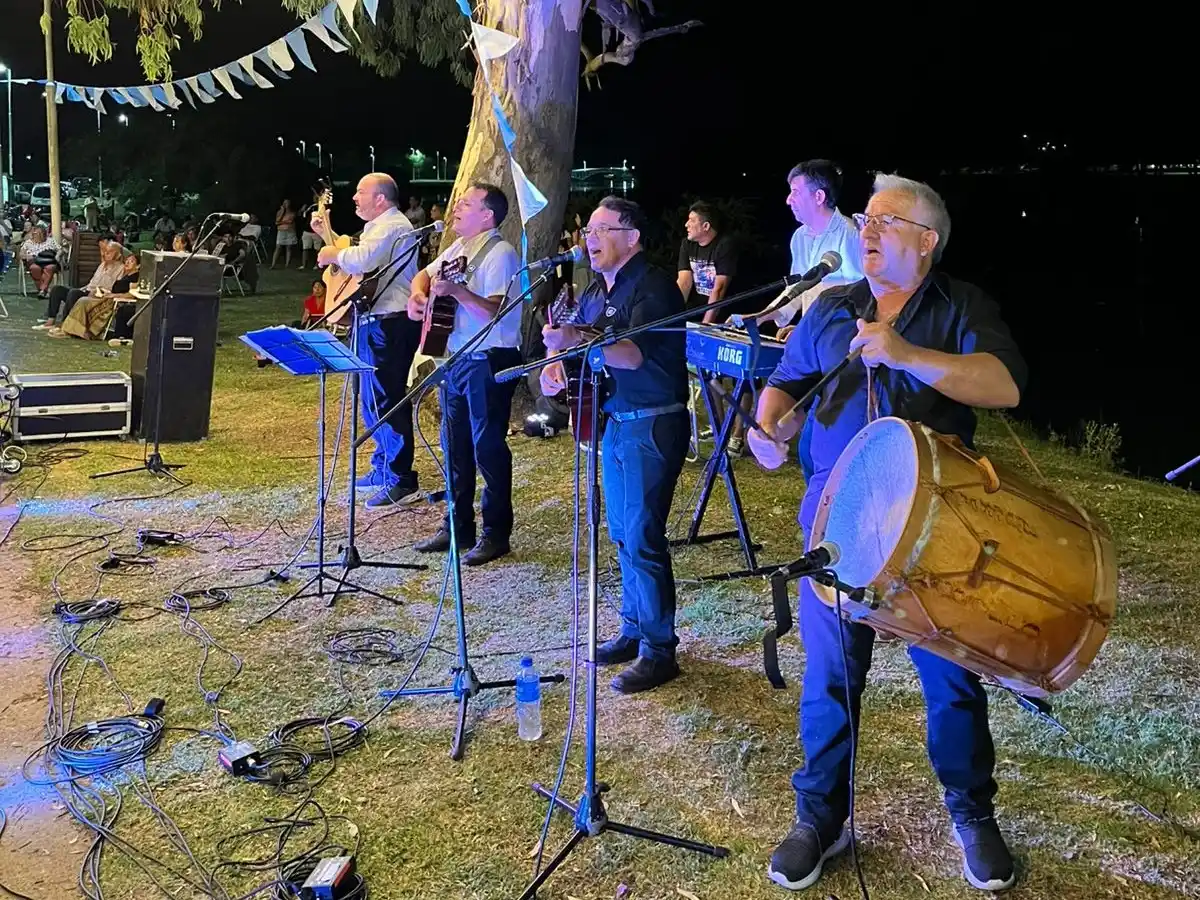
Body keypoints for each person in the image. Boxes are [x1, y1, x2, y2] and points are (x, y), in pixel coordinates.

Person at [747, 174, 1025, 894]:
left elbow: (1003, 384)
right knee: (832, 674)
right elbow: (786, 378)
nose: (864, 230)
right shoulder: (834, 306)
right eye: (864, 219)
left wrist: (904, 354)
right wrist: (767, 427)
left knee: (952, 677)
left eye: (884, 220)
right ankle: (820, 819)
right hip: (835, 514)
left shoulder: (961, 306)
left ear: (925, 239)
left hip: (938, 520)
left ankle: (972, 815)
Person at [541, 197, 690, 693]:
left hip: (652, 424)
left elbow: (629, 355)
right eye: (589, 229)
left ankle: (658, 650)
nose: (590, 236)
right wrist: (557, 365)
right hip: (614, 422)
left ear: (632, 237)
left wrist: (575, 341)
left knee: (644, 535)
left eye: (602, 229)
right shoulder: (594, 291)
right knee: (623, 532)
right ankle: (633, 629)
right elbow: (581, 352)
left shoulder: (654, 287)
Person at [407, 183, 521, 566]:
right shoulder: (457, 248)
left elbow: (496, 311)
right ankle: (457, 523)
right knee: (454, 445)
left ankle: (495, 532)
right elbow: (423, 276)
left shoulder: (500, 254)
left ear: (487, 215)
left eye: (467, 204)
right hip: (455, 358)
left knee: (487, 446)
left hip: (489, 359)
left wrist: (457, 292)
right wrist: (419, 296)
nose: (457, 207)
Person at [313, 173, 423, 508]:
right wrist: (326, 237)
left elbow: (362, 260)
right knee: (371, 398)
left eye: (361, 192)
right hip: (375, 318)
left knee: (386, 398)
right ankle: (383, 465)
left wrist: (333, 253)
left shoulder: (393, 225)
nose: (355, 198)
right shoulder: (378, 227)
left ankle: (401, 478)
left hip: (390, 322)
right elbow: (358, 267)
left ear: (381, 198)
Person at [771, 160, 865, 334]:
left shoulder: (850, 234)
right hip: (813, 336)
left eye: (795, 192)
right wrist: (761, 316)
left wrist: (811, 331)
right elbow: (797, 288)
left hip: (842, 341)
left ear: (819, 197)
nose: (788, 200)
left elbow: (860, 299)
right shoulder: (799, 237)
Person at [36, 238, 124, 330]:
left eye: (109, 252)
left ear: (118, 255)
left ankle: (65, 324)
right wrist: (83, 289)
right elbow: (92, 283)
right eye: (105, 251)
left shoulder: (121, 268)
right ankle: (50, 321)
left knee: (73, 293)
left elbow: (114, 288)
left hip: (98, 296)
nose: (105, 254)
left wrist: (97, 290)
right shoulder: (102, 265)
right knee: (57, 289)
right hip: (87, 291)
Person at [55, 248, 140, 341]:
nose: (127, 263)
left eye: (131, 261)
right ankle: (74, 329)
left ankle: (79, 330)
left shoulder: (135, 278)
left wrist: (113, 295)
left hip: (114, 302)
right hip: (108, 297)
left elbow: (131, 294)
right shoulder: (126, 275)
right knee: (81, 299)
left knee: (83, 301)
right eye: (127, 260)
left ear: (138, 266)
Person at [19, 225, 62, 298]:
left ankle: (42, 290)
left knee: (50, 268)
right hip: (34, 261)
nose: (36, 235)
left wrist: (57, 255)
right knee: (35, 268)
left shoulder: (50, 240)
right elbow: (21, 254)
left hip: (49, 261)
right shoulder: (28, 242)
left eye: (39, 234)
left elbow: (60, 249)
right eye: (35, 234)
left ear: (44, 234)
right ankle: (43, 289)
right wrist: (26, 256)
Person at [299, 193, 322, 270]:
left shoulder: (321, 207)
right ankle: (303, 265)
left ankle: (317, 265)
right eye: (314, 196)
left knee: (317, 250)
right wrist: (303, 210)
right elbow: (302, 216)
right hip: (307, 230)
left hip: (317, 231)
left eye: (317, 197)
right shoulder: (309, 207)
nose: (315, 198)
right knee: (305, 248)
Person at [272, 199, 297, 268]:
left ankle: (287, 264)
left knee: (288, 247)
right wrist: (282, 211)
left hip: (290, 231)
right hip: (281, 231)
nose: (286, 205)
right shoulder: (280, 212)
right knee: (278, 247)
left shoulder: (292, 213)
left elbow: (290, 221)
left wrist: (280, 222)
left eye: (287, 203)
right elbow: (277, 221)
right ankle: (273, 264)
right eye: (285, 203)